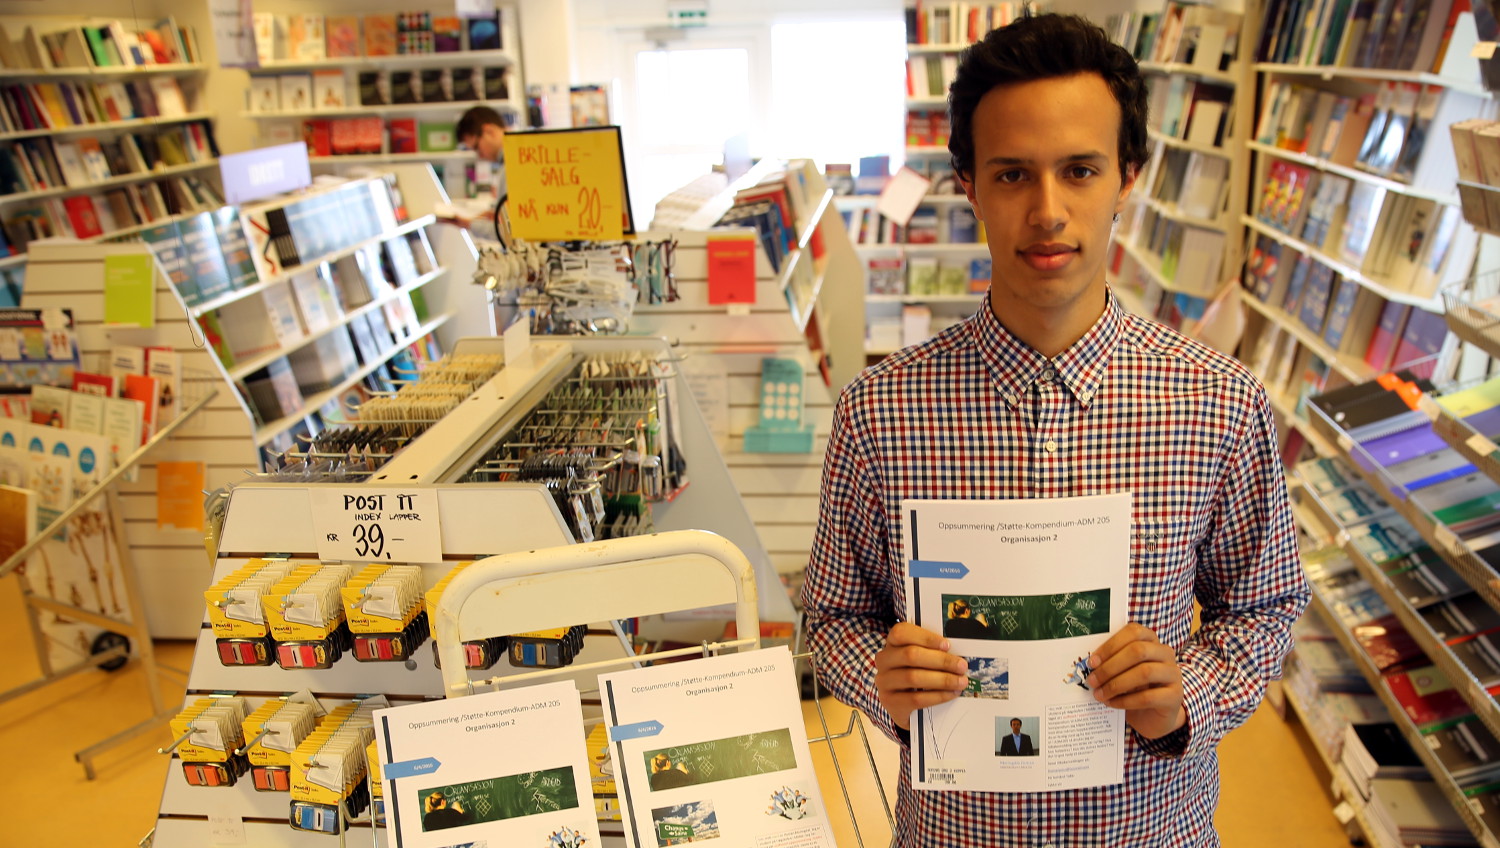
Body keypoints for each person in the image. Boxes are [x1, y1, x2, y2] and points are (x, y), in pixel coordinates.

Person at [801, 13, 1309, 847]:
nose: (1047, 211)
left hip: (1154, 831)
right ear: (969, 184)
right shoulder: (878, 413)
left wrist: (1187, 694)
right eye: (1012, 174)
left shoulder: (1219, 403)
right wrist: (880, 680)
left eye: (1080, 170)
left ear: (1127, 177)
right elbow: (834, 617)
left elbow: (1266, 605)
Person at [446, 105, 510, 241]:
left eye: (477, 147)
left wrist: (469, 224)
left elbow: (508, 231)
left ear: (489, 131)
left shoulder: (512, 166)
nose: (480, 156)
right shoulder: (510, 163)